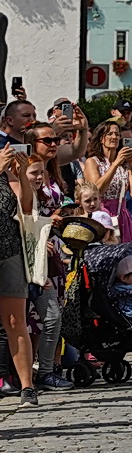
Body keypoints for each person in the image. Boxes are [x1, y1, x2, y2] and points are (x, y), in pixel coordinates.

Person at [0, 146, 39, 403]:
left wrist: (22, 173)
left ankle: (27, 386)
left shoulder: (7, 176)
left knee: (16, 320)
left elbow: (26, 206)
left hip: (10, 249)